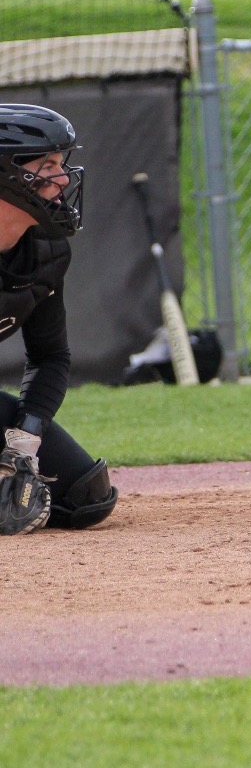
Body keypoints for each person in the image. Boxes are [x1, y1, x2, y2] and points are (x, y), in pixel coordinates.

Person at [0, 105, 119, 534]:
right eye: (46, 166)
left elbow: (51, 357)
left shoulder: (46, 250)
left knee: (86, 497)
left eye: (62, 163)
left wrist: (22, 445)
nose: (63, 178)